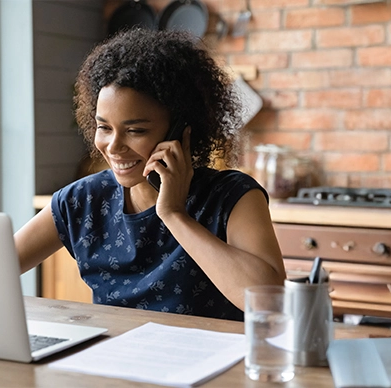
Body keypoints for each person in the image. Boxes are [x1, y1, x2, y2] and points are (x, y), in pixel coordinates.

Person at [14, 29, 285, 321]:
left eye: (135, 131)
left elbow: (270, 303)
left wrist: (174, 215)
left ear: (181, 131)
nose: (114, 146)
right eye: (104, 127)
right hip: (115, 362)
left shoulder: (233, 197)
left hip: (209, 364)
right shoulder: (83, 201)